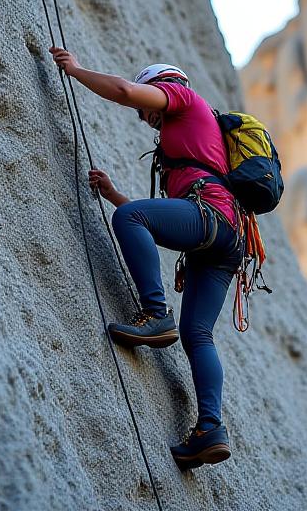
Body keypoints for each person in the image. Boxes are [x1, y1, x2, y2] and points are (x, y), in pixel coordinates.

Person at [49, 47, 241, 470]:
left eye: (147, 107)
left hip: (209, 218)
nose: (144, 118)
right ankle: (210, 429)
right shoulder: (192, 139)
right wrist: (114, 193)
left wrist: (76, 70)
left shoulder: (183, 99)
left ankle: (155, 313)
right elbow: (165, 215)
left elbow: (122, 90)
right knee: (199, 336)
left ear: (163, 85)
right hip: (226, 239)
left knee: (131, 217)